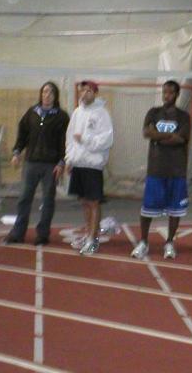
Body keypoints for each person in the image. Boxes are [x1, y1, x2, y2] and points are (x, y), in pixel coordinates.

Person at [130, 80, 190, 260]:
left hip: (176, 169)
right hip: (155, 169)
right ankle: (143, 242)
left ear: (177, 94)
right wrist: (168, 136)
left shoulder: (183, 116)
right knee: (147, 209)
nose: (167, 95)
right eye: (164, 92)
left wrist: (158, 137)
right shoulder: (153, 112)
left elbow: (181, 139)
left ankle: (170, 242)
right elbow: (147, 133)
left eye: (171, 92)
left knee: (175, 210)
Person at [5, 81, 69, 245]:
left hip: (51, 166)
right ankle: (18, 233)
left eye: (51, 93)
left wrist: (61, 162)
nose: (47, 95)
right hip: (31, 163)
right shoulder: (31, 113)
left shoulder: (62, 116)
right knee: (24, 198)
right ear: (41, 94)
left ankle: (43, 234)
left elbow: (64, 142)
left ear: (56, 96)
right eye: (44, 92)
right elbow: (22, 135)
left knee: (48, 200)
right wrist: (17, 152)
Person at [65, 81, 113, 255]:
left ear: (94, 93)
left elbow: (107, 140)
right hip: (78, 163)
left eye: (87, 91)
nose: (84, 94)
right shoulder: (77, 113)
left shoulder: (102, 114)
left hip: (93, 165)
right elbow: (70, 138)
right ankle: (88, 234)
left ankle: (94, 240)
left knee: (94, 202)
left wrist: (85, 140)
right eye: (81, 91)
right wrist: (69, 160)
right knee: (84, 202)